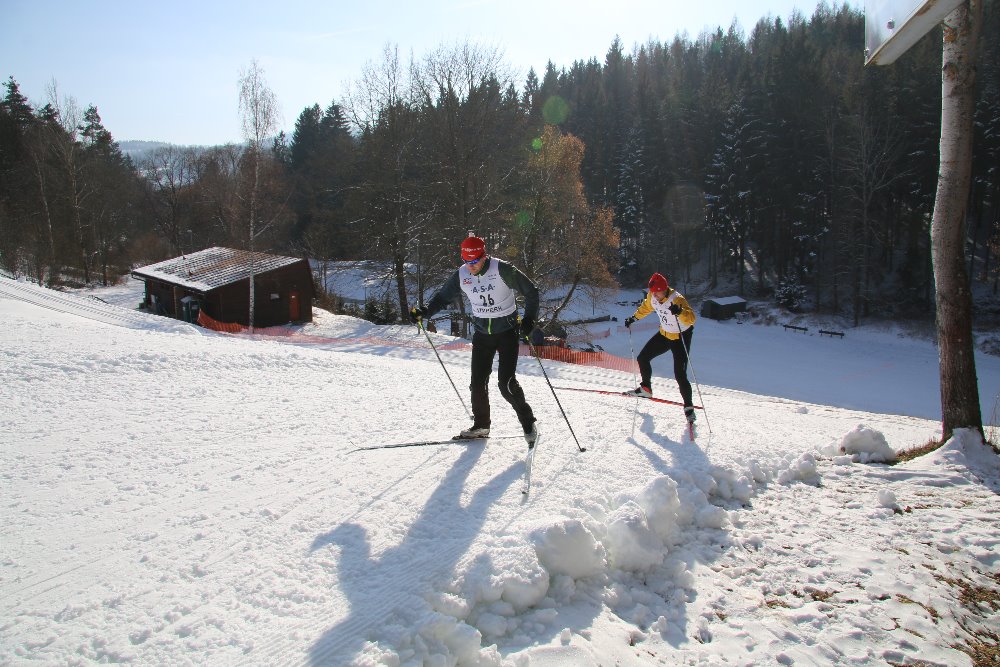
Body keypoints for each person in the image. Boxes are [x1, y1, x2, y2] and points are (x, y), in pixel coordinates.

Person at [410, 234, 540, 446]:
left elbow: (532, 291)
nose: (471, 266)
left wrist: (529, 320)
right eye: (466, 261)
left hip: (507, 332)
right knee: (477, 384)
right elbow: (443, 297)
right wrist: (425, 312)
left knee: (506, 384)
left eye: (475, 261)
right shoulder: (462, 274)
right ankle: (481, 426)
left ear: (484, 255)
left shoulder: (502, 269)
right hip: (482, 334)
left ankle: (528, 423)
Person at [623, 272, 698, 424]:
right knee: (643, 358)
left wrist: (680, 311)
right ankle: (646, 389)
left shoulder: (677, 299)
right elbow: (646, 307)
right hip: (664, 334)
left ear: (664, 289)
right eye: (653, 293)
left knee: (680, 374)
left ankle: (689, 408)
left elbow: (691, 318)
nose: (655, 297)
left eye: (657, 293)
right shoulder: (652, 296)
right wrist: (633, 318)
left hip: (680, 337)